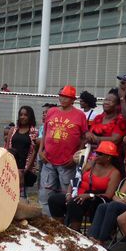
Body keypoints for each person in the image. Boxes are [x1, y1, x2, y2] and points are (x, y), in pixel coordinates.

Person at [48, 141, 121, 231]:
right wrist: (68, 194)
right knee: (54, 199)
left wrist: (89, 195)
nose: (96, 155)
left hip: (94, 199)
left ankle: (75, 232)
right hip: (77, 195)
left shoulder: (114, 173)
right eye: (96, 152)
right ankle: (59, 229)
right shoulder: (90, 164)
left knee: (75, 203)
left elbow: (108, 195)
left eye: (100, 154)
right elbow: (75, 180)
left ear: (109, 157)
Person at [39, 85, 88, 214]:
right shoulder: (52, 111)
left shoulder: (80, 115)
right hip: (48, 160)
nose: (63, 99)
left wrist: (75, 156)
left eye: (66, 97)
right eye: (61, 96)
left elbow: (84, 138)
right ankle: (46, 222)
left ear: (73, 99)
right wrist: (40, 151)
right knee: (45, 193)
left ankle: (63, 224)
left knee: (66, 194)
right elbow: (45, 132)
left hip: (67, 163)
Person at [88, 168, 126, 244]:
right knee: (102, 206)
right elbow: (116, 196)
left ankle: (101, 240)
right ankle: (92, 237)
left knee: (113, 205)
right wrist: (120, 200)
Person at [5, 106, 39, 197]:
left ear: (30, 117)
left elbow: (34, 152)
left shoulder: (34, 132)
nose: (23, 117)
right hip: (11, 166)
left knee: (21, 195)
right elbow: (7, 147)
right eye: (21, 115)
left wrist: (25, 171)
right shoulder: (13, 130)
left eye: (25, 115)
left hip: (25, 168)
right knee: (8, 193)